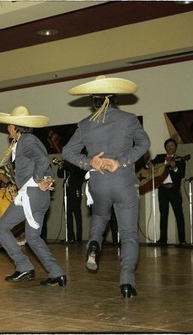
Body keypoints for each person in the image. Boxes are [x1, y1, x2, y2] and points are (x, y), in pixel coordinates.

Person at [62, 75, 150, 298]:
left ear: (93, 101)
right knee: (129, 234)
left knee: (100, 217)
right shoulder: (128, 119)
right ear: (115, 98)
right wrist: (121, 161)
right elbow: (144, 144)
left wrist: (89, 162)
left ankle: (93, 244)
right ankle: (127, 282)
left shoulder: (84, 125)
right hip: (123, 181)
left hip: (98, 182)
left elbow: (67, 152)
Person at [0, 106, 67, 286]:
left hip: (31, 194)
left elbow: (42, 160)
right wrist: (46, 179)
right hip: (39, 196)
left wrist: (40, 179)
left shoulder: (27, 141)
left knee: (1, 228)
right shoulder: (26, 141)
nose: (7, 127)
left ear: (15, 126)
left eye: (9, 124)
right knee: (33, 238)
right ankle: (57, 273)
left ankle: (23, 266)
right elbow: (41, 162)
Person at [147, 138, 187, 246]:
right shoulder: (160, 157)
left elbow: (181, 175)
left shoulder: (180, 159)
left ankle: (182, 240)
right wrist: (149, 165)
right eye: (168, 145)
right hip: (162, 190)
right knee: (163, 215)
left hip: (174, 190)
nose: (170, 147)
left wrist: (174, 168)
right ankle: (163, 240)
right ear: (166, 148)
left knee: (179, 215)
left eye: (172, 145)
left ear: (175, 147)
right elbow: (149, 165)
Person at [55, 159, 85, 243]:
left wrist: (68, 165)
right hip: (67, 192)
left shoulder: (78, 166)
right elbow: (60, 175)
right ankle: (70, 236)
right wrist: (61, 167)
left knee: (77, 214)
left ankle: (79, 237)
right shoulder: (67, 167)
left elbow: (79, 175)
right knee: (67, 215)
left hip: (75, 191)